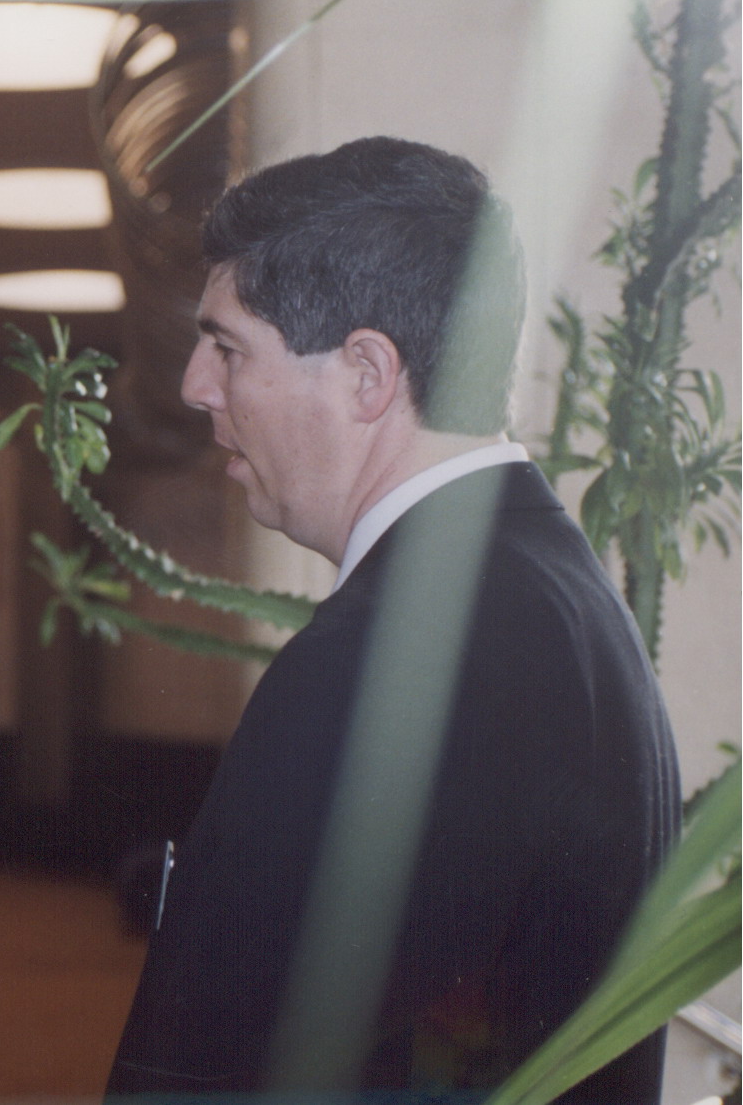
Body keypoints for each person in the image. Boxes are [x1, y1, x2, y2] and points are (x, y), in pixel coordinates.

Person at [106, 138, 680, 1102]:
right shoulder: (564, 593)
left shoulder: (387, 657)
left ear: (368, 373)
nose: (196, 385)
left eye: (229, 347)